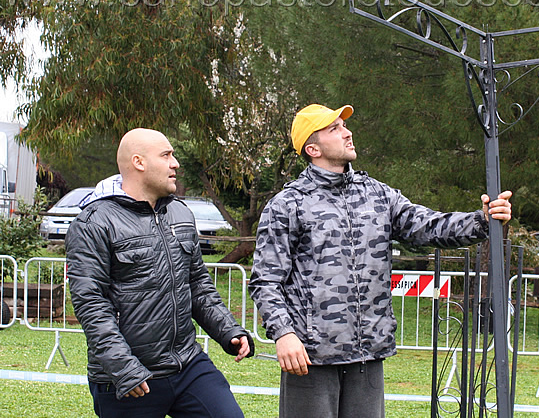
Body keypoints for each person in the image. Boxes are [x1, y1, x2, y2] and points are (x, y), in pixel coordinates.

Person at [248, 104, 512, 418]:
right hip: (310, 357)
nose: (347, 132)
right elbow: (266, 280)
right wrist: (284, 333)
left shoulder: (377, 195)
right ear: (312, 148)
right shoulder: (287, 204)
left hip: (367, 355)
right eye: (334, 128)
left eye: (344, 126)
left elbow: (426, 226)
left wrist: (482, 220)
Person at [66, 128, 254, 418]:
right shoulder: (93, 222)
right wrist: (123, 368)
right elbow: (91, 305)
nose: (175, 163)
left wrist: (228, 330)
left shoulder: (180, 213)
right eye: (166, 155)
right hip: (127, 377)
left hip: (187, 365)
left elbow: (198, 285)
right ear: (139, 162)